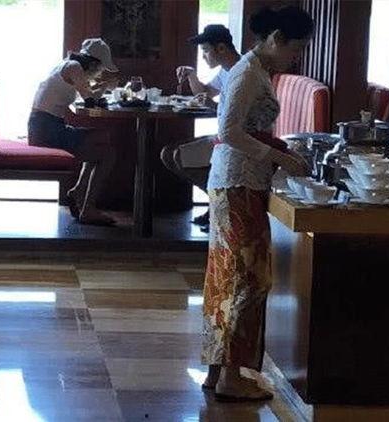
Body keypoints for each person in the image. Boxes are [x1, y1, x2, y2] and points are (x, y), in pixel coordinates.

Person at [201, 6, 314, 402]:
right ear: (276, 38)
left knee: (229, 277)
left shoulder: (256, 70)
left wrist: (278, 148)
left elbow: (249, 129)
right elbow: (229, 131)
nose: (296, 57)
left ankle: (219, 372)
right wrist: (278, 156)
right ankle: (230, 377)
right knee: (247, 279)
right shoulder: (247, 72)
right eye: (296, 48)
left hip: (239, 181)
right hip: (237, 183)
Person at [28, 38, 119, 226]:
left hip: (44, 125)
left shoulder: (68, 65)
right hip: (47, 129)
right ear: (93, 64)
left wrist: (101, 87)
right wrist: (104, 86)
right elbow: (90, 102)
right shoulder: (75, 68)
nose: (100, 72)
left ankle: (78, 192)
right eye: (101, 68)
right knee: (108, 154)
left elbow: (87, 96)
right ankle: (88, 208)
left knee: (103, 137)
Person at [160, 25, 240, 230]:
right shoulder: (226, 70)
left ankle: (222, 205)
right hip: (224, 136)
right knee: (168, 153)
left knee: (177, 155)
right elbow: (204, 92)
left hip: (235, 140)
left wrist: (213, 106)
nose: (203, 56)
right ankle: (218, 202)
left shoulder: (242, 73)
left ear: (221, 48)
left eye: (205, 50)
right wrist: (192, 75)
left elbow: (239, 116)